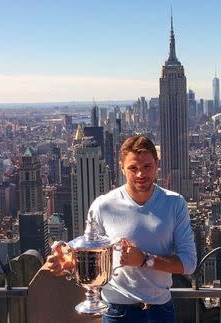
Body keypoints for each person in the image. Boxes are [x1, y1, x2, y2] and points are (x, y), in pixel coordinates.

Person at [47, 135, 197, 323]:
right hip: (117, 310)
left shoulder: (175, 203)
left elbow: (189, 263)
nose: (141, 174)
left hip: (161, 311)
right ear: (122, 167)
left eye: (147, 167)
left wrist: (145, 260)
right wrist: (71, 262)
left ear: (157, 165)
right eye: (133, 168)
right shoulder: (103, 206)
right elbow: (93, 255)